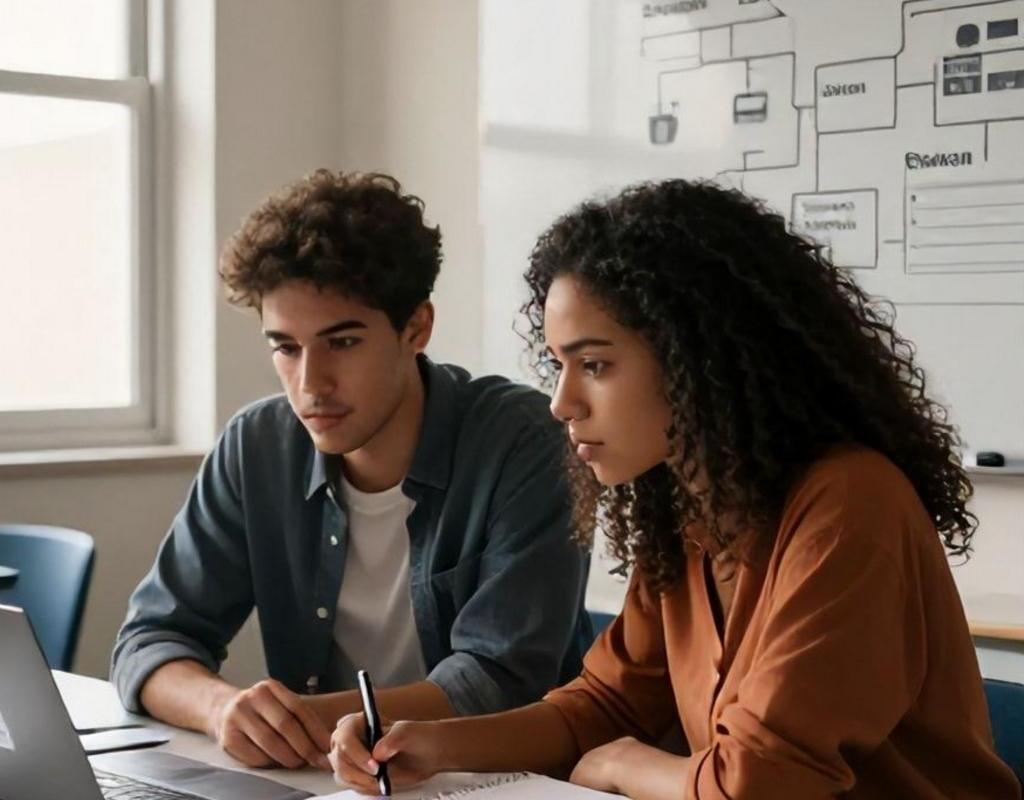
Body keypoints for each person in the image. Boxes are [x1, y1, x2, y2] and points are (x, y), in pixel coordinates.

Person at [328, 179, 1021, 799]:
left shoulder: (849, 505)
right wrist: (429, 745)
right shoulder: (691, 511)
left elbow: (757, 784)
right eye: (558, 365)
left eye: (595, 365)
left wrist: (622, 765)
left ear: (698, 358)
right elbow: (604, 705)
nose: (562, 402)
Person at [111, 169, 590, 773]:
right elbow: (149, 641)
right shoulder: (256, 446)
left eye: (341, 343)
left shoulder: (522, 440)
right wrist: (222, 708)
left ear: (416, 327)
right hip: (322, 781)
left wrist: (300, 721)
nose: (311, 384)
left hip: (496, 782)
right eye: (286, 347)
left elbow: (501, 678)